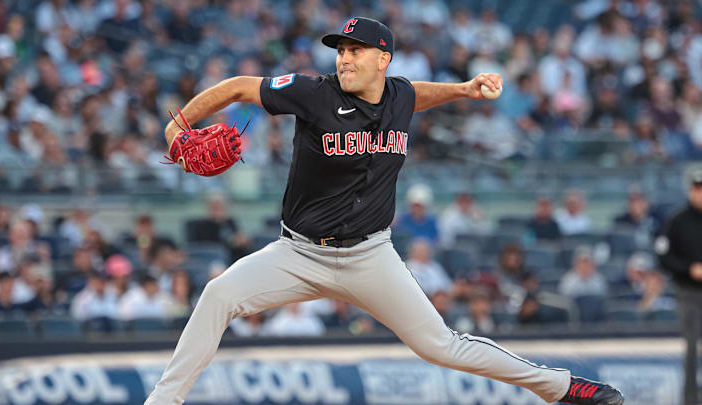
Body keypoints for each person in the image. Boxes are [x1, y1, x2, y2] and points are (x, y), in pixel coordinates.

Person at [145, 17, 623, 405]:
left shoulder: (399, 95)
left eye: (355, 49)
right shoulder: (314, 92)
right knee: (217, 295)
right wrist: (177, 128)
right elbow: (238, 87)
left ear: (383, 59)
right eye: (341, 49)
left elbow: (417, 94)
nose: (345, 57)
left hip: (369, 257)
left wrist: (463, 89)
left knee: (441, 345)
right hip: (298, 253)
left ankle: (562, 388)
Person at [656, 167, 702, 405]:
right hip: (688, 292)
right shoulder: (677, 220)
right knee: (691, 349)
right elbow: (663, 255)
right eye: (697, 189)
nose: (700, 194)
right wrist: (688, 268)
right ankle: (691, 401)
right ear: (690, 191)